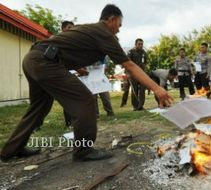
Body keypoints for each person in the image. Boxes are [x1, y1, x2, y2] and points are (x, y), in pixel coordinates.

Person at [0, 4, 172, 162]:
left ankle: (11, 149)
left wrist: (80, 68)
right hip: (46, 62)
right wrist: (157, 88)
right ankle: (83, 150)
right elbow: (129, 65)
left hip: (33, 58)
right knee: (85, 100)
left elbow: (68, 48)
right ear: (111, 19)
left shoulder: (89, 29)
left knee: (39, 108)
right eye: (119, 25)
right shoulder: (104, 33)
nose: (118, 31)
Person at [128, 38, 147, 111]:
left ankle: (140, 106)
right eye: (139, 44)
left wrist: (145, 72)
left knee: (142, 91)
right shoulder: (131, 52)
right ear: (135, 44)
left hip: (142, 74)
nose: (141, 45)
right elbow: (128, 63)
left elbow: (145, 63)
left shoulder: (144, 53)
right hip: (134, 74)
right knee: (134, 90)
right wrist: (128, 73)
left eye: (142, 44)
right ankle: (135, 106)